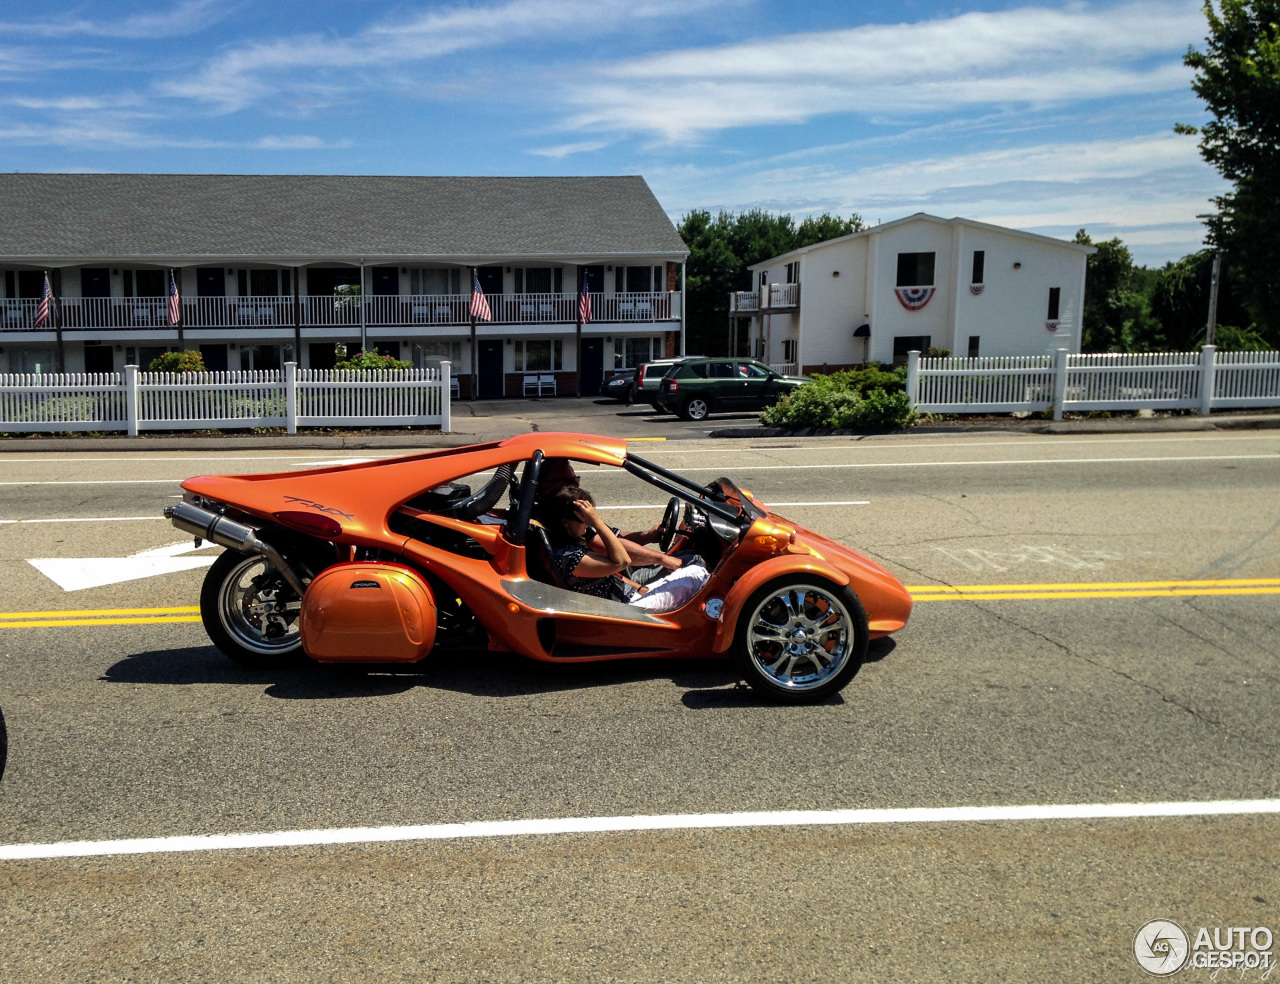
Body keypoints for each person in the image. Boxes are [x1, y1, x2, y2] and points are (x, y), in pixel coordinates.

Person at [540, 486, 709, 612]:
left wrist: (642, 589)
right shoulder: (570, 558)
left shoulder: (573, 547)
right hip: (626, 610)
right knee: (698, 577)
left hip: (630, 598)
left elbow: (612, 576)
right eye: (584, 521)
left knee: (695, 570)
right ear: (565, 523)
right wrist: (597, 523)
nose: (587, 524)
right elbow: (623, 561)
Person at [538, 457, 683, 577]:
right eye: (570, 481)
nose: (576, 484)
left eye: (576, 479)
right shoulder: (567, 517)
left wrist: (648, 536)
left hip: (619, 577)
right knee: (691, 563)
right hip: (621, 575)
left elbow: (614, 536)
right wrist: (662, 559)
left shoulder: (571, 509)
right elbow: (612, 551)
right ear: (547, 486)